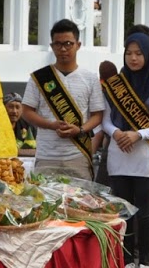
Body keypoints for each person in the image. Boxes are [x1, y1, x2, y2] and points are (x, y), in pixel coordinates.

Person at [100, 31, 149, 268]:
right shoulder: (116, 84)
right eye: (129, 53)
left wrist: (138, 134)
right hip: (119, 157)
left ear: (147, 54)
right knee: (124, 213)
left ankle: (145, 266)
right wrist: (118, 133)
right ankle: (128, 262)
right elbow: (106, 120)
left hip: (145, 157)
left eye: (138, 53)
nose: (133, 58)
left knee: (144, 214)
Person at [19, 19, 105, 181]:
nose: (63, 49)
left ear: (78, 45)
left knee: (79, 204)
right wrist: (51, 125)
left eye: (68, 43)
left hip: (77, 155)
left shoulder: (90, 78)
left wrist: (79, 130)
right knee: (45, 203)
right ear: (51, 46)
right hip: (47, 155)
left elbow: (97, 115)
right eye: (57, 44)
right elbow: (27, 111)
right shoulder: (39, 78)